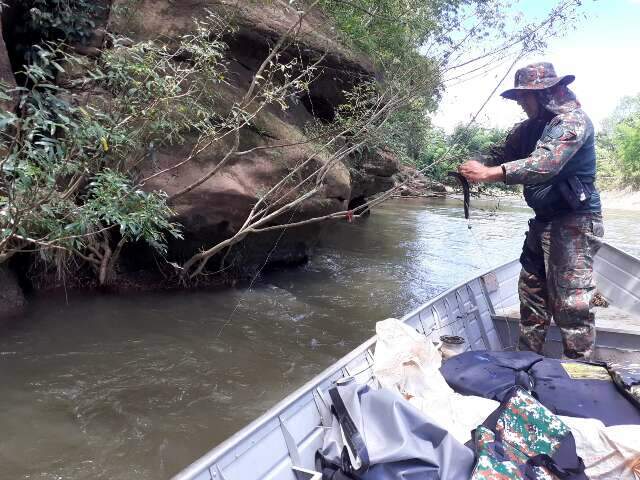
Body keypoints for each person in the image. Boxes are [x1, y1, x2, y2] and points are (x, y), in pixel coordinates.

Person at [458, 62, 604, 360]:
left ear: (544, 94)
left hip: (574, 223)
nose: (521, 104)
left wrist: (489, 173)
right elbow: (500, 155)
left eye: (524, 97)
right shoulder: (528, 129)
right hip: (543, 223)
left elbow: (545, 163)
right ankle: (526, 364)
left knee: (572, 305)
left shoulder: (573, 122)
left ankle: (579, 377)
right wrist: (470, 166)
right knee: (532, 294)